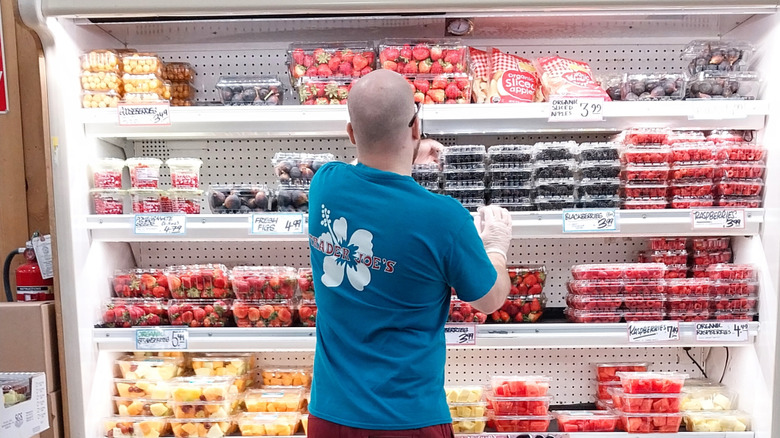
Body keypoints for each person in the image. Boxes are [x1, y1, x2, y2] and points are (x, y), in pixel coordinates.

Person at [306, 69, 513, 438]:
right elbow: (490, 300)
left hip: (329, 416)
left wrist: (405, 150)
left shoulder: (324, 184)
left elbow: (367, 171)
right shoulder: (444, 217)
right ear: (416, 127)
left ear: (351, 133)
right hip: (410, 419)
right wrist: (496, 246)